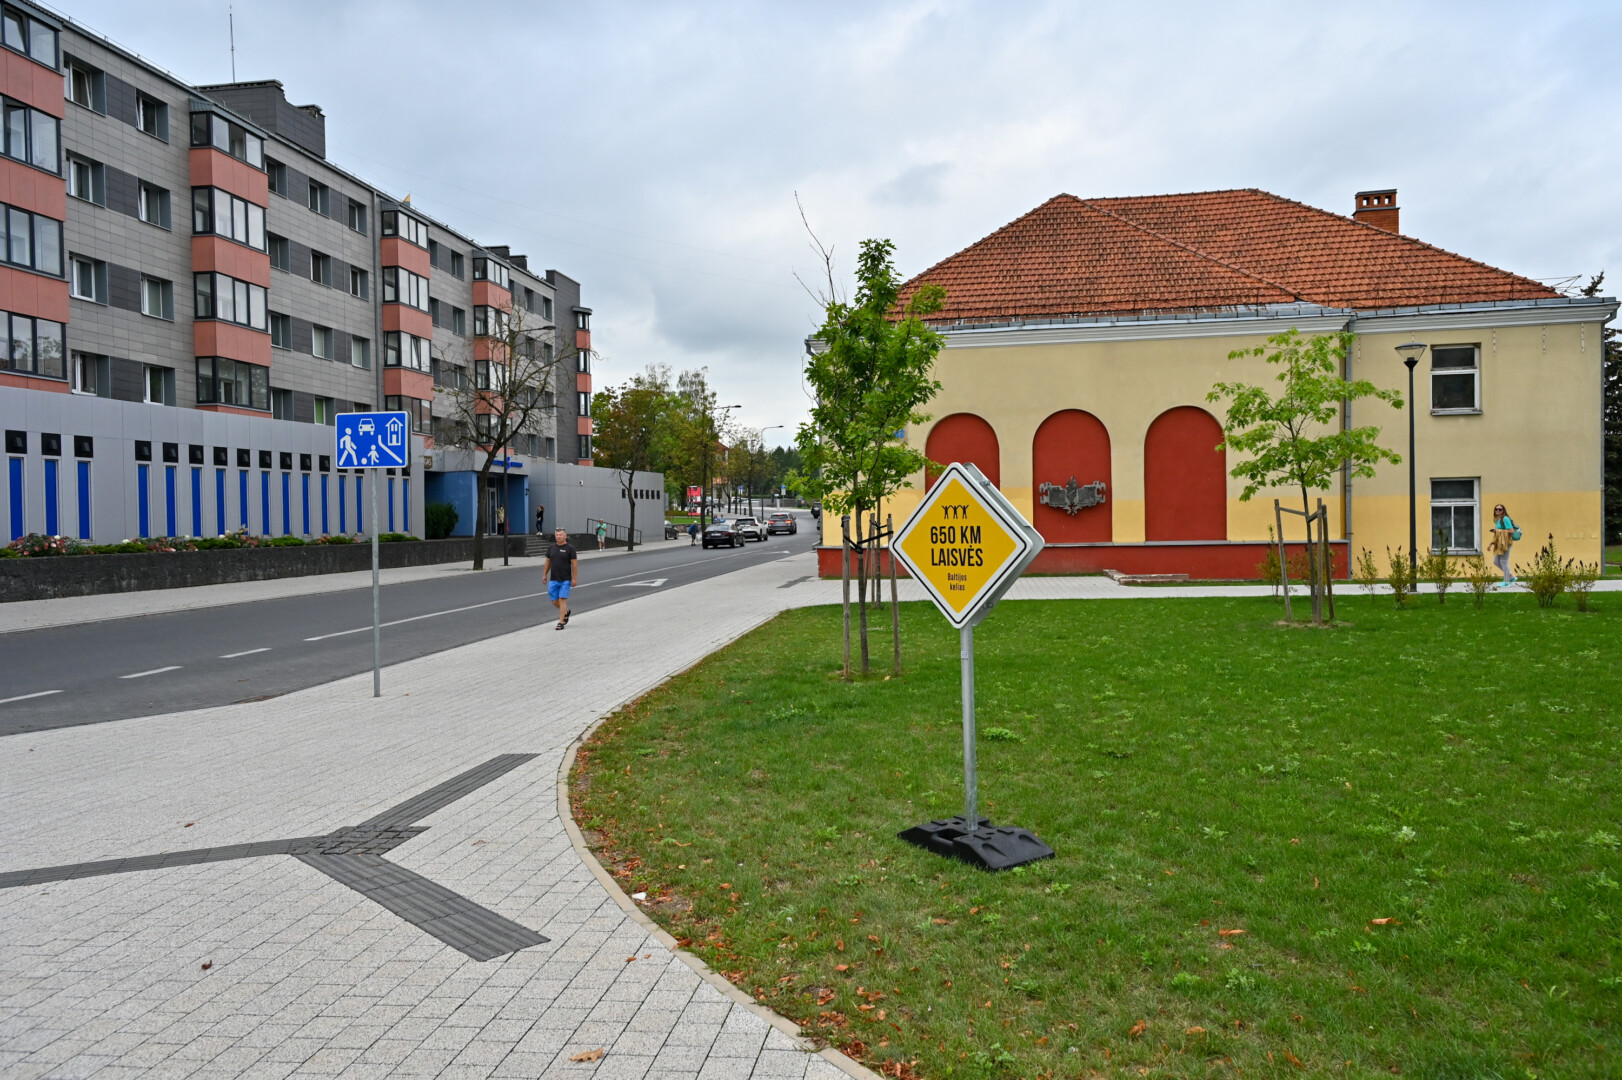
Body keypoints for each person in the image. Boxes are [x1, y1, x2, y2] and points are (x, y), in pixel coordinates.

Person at [546, 526, 577, 629]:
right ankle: (566, 611)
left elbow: (574, 564)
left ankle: (561, 622)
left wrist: (574, 578)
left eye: (560, 535)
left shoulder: (570, 548)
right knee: (555, 601)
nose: (558, 536)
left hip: (565, 579)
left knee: (562, 599)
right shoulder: (551, 547)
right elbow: (548, 561)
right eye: (557, 535)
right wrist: (544, 574)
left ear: (565, 536)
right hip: (553, 579)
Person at [1488, 503, 1520, 587]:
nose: (1498, 511)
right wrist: (1491, 543)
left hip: (1506, 543)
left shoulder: (1505, 518)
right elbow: (1497, 534)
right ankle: (1511, 576)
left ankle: (1506, 581)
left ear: (1503, 510)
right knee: (1496, 561)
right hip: (1499, 543)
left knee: (1503, 562)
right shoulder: (1497, 520)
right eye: (1496, 509)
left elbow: (1511, 531)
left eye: (1500, 509)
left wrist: (1498, 531)